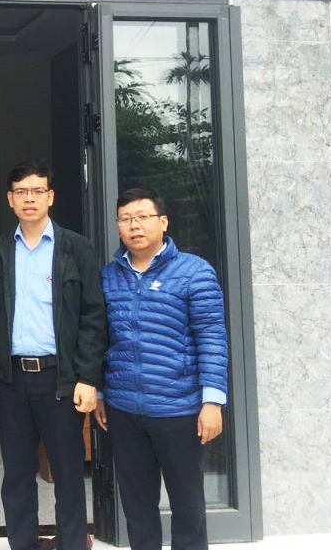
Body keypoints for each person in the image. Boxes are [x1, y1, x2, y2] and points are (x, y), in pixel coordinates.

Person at [0, 161, 106, 550]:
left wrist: (88, 377)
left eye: (37, 191)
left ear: (50, 197)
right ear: (10, 199)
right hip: (12, 379)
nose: (29, 198)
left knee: (67, 473)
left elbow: (93, 316)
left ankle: (72, 544)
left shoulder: (76, 248)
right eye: (21, 192)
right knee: (17, 474)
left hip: (60, 379)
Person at [94, 188, 228, 550]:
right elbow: (100, 338)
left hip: (179, 409)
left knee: (187, 507)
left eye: (143, 217)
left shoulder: (194, 271)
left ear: (163, 222)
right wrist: (102, 391)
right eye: (126, 219)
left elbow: (212, 337)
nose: (134, 226)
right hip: (124, 409)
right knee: (137, 508)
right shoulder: (109, 276)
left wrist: (212, 401)